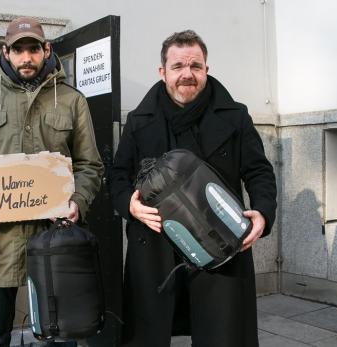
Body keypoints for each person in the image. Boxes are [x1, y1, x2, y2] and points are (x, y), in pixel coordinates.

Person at [110, 30, 277, 347]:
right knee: (148, 337)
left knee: (223, 337)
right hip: (155, 250)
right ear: (163, 72)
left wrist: (264, 215)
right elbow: (118, 175)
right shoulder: (138, 120)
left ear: (206, 70)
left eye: (195, 66)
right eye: (178, 66)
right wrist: (129, 206)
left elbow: (259, 172)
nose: (187, 74)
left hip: (221, 243)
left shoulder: (236, 116)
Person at [0, 17, 104, 347]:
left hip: (56, 238)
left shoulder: (71, 100)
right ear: (5, 52)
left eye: (33, 49)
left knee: (60, 334)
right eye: (18, 49)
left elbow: (90, 164)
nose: (26, 57)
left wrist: (76, 202)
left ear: (46, 49)